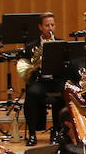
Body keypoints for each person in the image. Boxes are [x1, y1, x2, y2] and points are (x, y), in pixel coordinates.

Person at [21, 12, 59, 141]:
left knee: (65, 93)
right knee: (31, 93)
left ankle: (58, 132)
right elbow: (26, 66)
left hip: (55, 81)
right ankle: (32, 134)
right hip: (39, 81)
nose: (50, 28)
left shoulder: (60, 43)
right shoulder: (31, 46)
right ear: (40, 27)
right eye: (47, 25)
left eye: (52, 25)